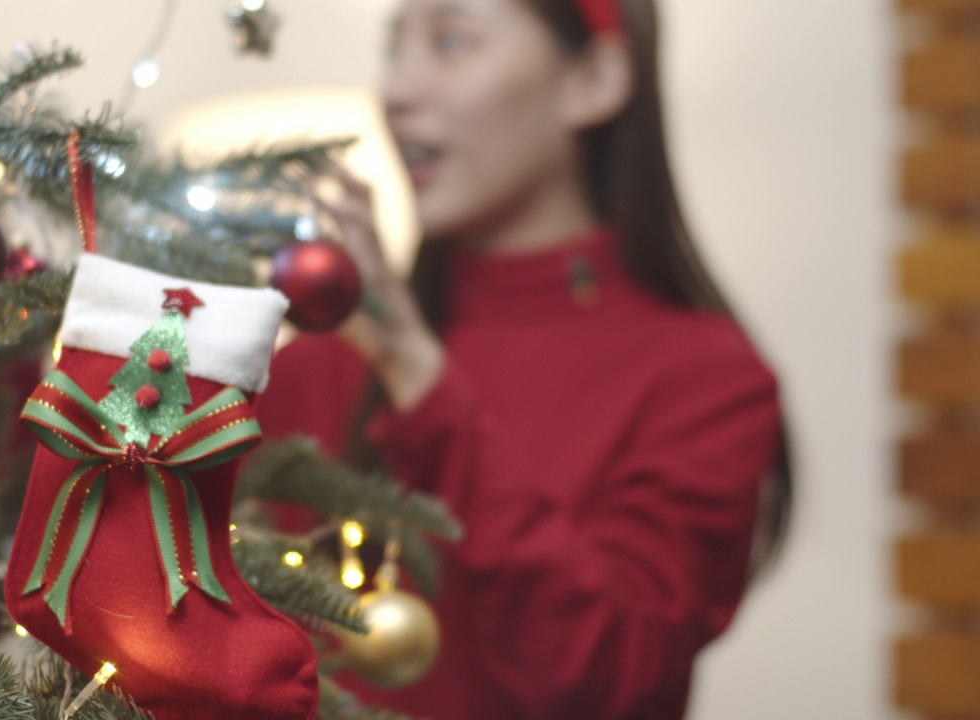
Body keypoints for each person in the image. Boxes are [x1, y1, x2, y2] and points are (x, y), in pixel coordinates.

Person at [255, 0, 790, 718]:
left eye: (452, 41)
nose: (397, 90)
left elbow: (602, 681)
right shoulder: (312, 367)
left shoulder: (705, 381)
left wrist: (420, 381)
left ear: (594, 79)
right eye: (395, 46)